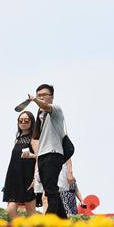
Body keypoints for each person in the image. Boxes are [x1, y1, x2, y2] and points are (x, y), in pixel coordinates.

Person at [22, 84, 68, 218]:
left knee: (50, 195)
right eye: (39, 95)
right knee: (52, 192)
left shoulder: (56, 110)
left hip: (53, 154)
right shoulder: (41, 116)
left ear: (52, 97)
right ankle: (65, 224)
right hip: (42, 156)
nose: (41, 97)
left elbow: (46, 106)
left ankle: (46, 226)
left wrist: (35, 100)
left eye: (44, 95)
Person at [2, 111, 38, 219]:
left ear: (32, 122)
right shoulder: (17, 139)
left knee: (31, 211)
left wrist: (35, 177)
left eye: (26, 120)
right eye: (20, 120)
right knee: (10, 210)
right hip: (14, 177)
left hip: (28, 177)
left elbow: (40, 157)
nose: (23, 122)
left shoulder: (33, 138)